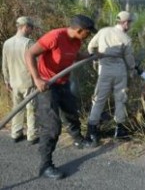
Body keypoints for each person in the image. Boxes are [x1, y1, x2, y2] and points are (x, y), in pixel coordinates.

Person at [25, 14, 97, 180]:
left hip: (63, 82)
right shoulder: (55, 36)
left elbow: (74, 56)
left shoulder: (77, 40)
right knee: (52, 126)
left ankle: (78, 140)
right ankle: (45, 165)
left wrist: (90, 55)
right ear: (79, 30)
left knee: (71, 112)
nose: (89, 35)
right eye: (88, 32)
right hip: (47, 85)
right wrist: (37, 78)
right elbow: (30, 54)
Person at [86, 11, 136, 146]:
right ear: (125, 23)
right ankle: (119, 131)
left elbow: (90, 47)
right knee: (120, 99)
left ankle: (92, 131)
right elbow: (129, 59)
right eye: (130, 23)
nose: (130, 25)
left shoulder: (103, 31)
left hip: (104, 70)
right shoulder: (126, 39)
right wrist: (133, 69)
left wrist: (95, 60)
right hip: (119, 71)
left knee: (99, 100)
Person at [2, 16, 39, 144]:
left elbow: (4, 64)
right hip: (28, 81)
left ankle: (16, 133)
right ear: (25, 27)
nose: (32, 30)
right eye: (31, 27)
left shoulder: (7, 43)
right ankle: (32, 135)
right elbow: (37, 62)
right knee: (31, 109)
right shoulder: (29, 43)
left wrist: (6, 80)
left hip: (14, 81)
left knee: (16, 108)